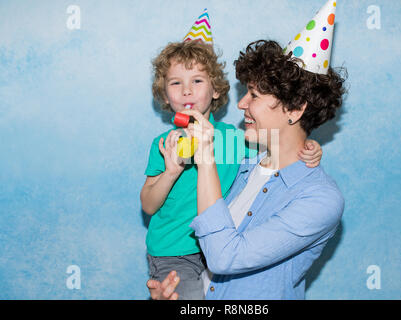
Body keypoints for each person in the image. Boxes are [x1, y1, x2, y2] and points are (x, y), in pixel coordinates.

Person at [147, 0, 346, 300]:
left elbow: (225, 257)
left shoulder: (320, 199)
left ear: (295, 108)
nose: (240, 104)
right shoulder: (241, 166)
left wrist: (205, 159)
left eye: (253, 95)